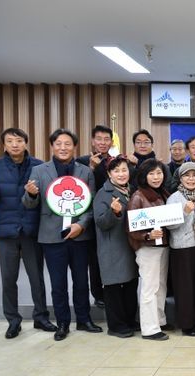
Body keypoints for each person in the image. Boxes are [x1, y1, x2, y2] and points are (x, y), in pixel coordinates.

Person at [22, 128, 102, 341]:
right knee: (58, 284)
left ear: (74, 146)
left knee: (81, 281)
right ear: (52, 146)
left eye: (67, 144)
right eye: (58, 144)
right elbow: (29, 204)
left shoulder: (85, 171)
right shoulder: (39, 171)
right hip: (51, 236)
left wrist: (81, 226)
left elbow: (91, 205)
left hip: (80, 236)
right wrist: (30, 194)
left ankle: (84, 319)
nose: (63, 148)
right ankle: (63, 322)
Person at [0, 128, 55, 338]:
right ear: (4, 145)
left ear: (25, 143)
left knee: (36, 277)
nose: (15, 144)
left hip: (31, 230)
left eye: (19, 140)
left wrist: (34, 194)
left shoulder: (39, 166)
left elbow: (46, 197)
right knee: (9, 278)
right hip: (6, 231)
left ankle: (41, 317)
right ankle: (13, 321)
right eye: (10, 141)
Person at [93, 155, 139, 338]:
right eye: (116, 171)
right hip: (112, 248)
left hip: (129, 247)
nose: (121, 174)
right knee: (113, 288)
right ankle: (116, 326)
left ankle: (129, 321)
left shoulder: (132, 190)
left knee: (130, 285)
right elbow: (101, 222)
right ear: (109, 174)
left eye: (124, 170)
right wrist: (113, 212)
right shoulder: (103, 194)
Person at [127, 159, 171, 341]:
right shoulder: (138, 196)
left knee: (160, 286)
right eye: (151, 173)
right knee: (149, 287)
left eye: (159, 173)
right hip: (147, 248)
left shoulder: (164, 193)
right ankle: (149, 328)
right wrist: (147, 236)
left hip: (163, 246)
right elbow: (131, 228)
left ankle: (159, 320)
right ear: (144, 176)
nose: (156, 177)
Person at [77, 125, 115, 309]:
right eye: (99, 139)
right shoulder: (81, 162)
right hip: (91, 216)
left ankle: (113, 291)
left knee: (112, 254)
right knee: (95, 259)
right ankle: (98, 294)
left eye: (106, 139)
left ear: (111, 142)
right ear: (93, 141)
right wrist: (91, 168)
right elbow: (77, 188)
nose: (102, 142)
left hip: (113, 213)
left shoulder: (115, 161)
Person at [167, 162, 195, 336]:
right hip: (181, 249)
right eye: (187, 176)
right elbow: (169, 225)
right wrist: (184, 211)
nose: (191, 179)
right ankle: (186, 325)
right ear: (180, 178)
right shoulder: (174, 198)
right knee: (184, 288)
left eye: (194, 175)